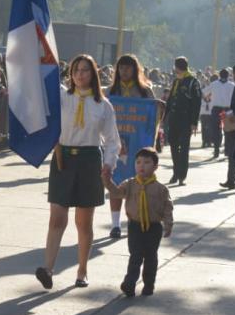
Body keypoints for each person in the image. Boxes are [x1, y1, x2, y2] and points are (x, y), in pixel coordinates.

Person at [35, 54, 120, 289]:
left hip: (89, 160)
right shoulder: (63, 97)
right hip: (63, 159)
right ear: (70, 74)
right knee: (57, 218)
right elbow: (42, 80)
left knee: (83, 222)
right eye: (75, 70)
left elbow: (112, 140)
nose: (80, 74)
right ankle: (48, 269)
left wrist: (108, 164)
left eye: (84, 70)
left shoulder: (103, 105)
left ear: (93, 73)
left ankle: (82, 270)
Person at [102, 148, 173, 297]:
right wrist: (107, 181)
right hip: (134, 226)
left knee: (150, 257)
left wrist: (168, 223)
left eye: (147, 162)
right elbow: (116, 193)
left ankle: (149, 284)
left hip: (154, 228)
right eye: (138, 162)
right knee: (135, 255)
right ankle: (130, 283)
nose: (142, 165)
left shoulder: (161, 189)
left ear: (155, 167)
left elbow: (167, 207)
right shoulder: (129, 184)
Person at [105, 54, 156, 239]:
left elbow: (153, 118)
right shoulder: (110, 91)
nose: (124, 71)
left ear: (135, 70)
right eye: (121, 67)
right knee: (115, 182)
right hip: (115, 144)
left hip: (138, 145)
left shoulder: (145, 92)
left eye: (128, 67)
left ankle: (135, 221)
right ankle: (116, 224)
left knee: (138, 184)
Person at [165, 57, 202, 185]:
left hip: (186, 120)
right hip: (174, 119)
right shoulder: (176, 81)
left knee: (184, 148)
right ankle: (175, 173)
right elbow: (171, 100)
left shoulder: (193, 82)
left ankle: (182, 175)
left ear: (178, 67)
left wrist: (194, 122)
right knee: (173, 146)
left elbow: (197, 103)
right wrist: (165, 116)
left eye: (175, 67)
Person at [204, 69, 235, 158]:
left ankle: (216, 150)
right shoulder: (232, 85)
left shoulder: (213, 84)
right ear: (228, 75)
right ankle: (227, 151)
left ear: (219, 75)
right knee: (228, 130)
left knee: (216, 130)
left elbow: (204, 92)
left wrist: (208, 98)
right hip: (227, 109)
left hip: (216, 109)